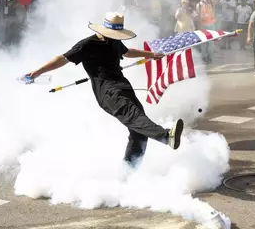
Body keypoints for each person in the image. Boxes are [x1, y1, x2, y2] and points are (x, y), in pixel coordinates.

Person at [25, 12, 184, 167]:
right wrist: (38, 71)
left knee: (139, 130)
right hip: (107, 91)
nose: (116, 36)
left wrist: (151, 54)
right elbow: (62, 59)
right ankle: (165, 136)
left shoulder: (114, 41)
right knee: (134, 116)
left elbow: (128, 52)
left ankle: (128, 173)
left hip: (123, 86)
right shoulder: (87, 44)